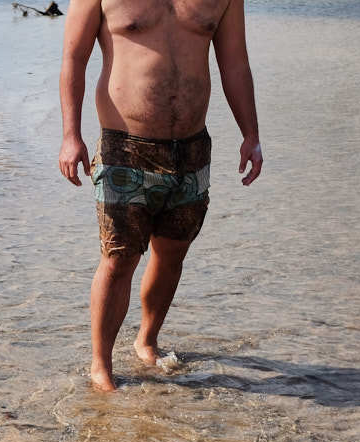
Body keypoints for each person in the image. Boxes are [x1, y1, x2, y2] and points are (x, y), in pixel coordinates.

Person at [58, 0, 262, 391]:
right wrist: (71, 136)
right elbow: (74, 57)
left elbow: (235, 64)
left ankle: (147, 341)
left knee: (172, 253)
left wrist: (251, 134)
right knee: (119, 258)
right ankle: (101, 366)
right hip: (124, 147)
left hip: (191, 149)